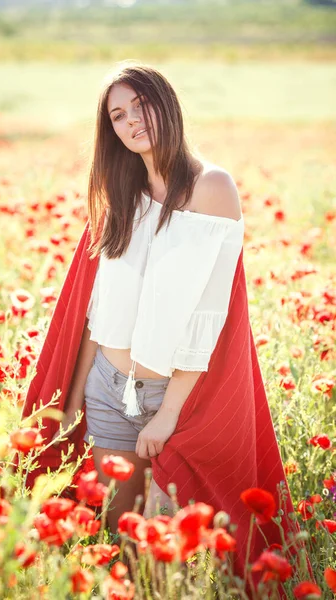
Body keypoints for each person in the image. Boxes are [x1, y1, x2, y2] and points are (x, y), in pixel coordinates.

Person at [20, 60, 306, 587]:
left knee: (165, 547)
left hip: (172, 395)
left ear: (166, 102)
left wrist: (169, 411)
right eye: (117, 115)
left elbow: (208, 317)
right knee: (121, 535)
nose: (132, 121)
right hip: (108, 388)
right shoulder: (120, 195)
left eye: (140, 104)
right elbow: (96, 311)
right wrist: (73, 398)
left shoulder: (212, 188)